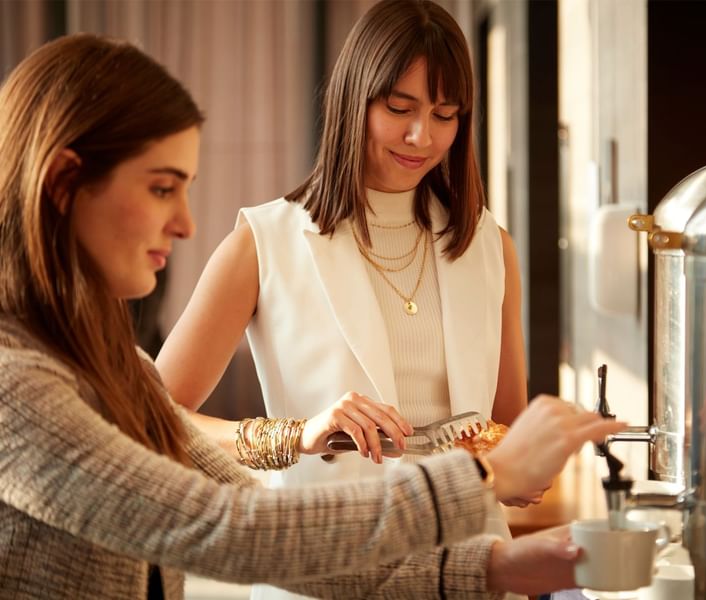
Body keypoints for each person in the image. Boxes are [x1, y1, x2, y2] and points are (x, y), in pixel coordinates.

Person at [0, 32, 625, 600]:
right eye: (164, 188)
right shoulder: (15, 385)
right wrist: (484, 473)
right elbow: (228, 529)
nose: (187, 222)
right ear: (63, 183)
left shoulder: (112, 363)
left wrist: (499, 568)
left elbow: (253, 522)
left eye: (444, 114)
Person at [157, 3, 538, 597]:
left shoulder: (491, 247)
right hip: (322, 573)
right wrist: (297, 435)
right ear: (353, 99)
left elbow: (504, 426)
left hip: (470, 571)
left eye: (446, 114)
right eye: (399, 108)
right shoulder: (264, 242)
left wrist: (525, 464)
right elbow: (152, 416)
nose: (423, 137)